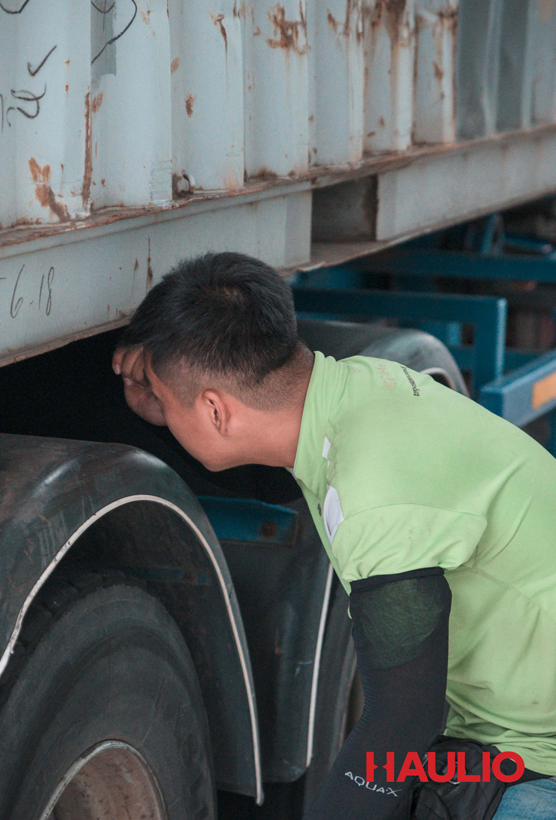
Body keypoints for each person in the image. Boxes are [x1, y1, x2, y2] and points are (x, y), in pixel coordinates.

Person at [112, 251, 556, 819]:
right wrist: (163, 406)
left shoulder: (374, 497)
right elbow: (263, 472)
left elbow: (406, 717)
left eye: (173, 409)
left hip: (537, 753)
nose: (168, 417)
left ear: (217, 411)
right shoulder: (360, 388)